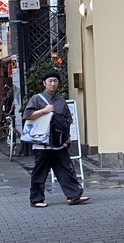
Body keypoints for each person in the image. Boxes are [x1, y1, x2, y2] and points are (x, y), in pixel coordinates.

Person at [23, 70, 87, 208]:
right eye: (50, 81)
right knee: (40, 172)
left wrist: (68, 137)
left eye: (55, 81)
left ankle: (74, 195)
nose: (52, 84)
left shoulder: (61, 100)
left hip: (59, 142)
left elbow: (67, 120)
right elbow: (27, 115)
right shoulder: (37, 99)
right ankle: (36, 199)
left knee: (66, 169)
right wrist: (43, 111)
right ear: (44, 83)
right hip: (42, 143)